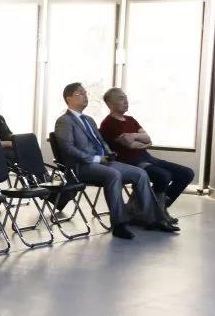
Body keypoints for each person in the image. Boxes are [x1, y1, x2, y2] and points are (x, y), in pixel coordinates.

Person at [53, 83, 177, 239]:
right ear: (69, 98)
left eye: (85, 92)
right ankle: (119, 224)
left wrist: (108, 152)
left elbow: (100, 141)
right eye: (80, 93)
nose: (85, 96)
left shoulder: (89, 120)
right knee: (113, 174)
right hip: (82, 166)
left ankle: (154, 219)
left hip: (104, 161)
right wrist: (96, 158)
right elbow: (68, 149)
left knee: (140, 173)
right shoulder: (64, 121)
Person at [100, 87, 193, 223]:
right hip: (129, 162)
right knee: (163, 176)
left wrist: (134, 136)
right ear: (110, 104)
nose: (126, 101)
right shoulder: (108, 123)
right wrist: (142, 141)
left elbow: (148, 139)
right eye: (121, 98)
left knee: (187, 173)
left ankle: (156, 207)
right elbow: (130, 145)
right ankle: (156, 212)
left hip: (146, 158)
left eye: (126, 98)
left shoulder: (131, 119)